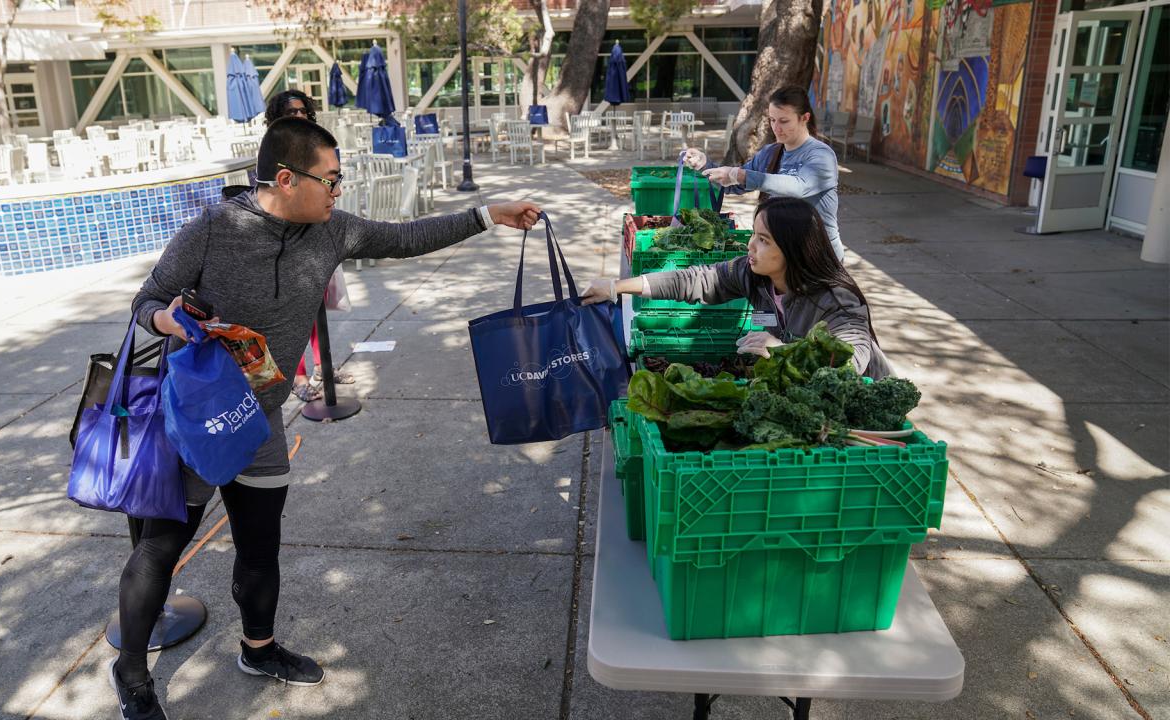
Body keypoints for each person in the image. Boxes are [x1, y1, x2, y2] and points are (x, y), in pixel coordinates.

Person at [114, 117, 541, 720]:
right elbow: (144, 304)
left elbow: (406, 237)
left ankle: (258, 649)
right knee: (162, 548)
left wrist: (487, 214)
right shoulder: (212, 230)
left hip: (259, 422)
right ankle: (131, 672)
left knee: (261, 546)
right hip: (196, 420)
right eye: (331, 180)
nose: (338, 192)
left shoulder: (331, 231)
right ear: (286, 179)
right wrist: (172, 320)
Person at [582, 196, 891, 378]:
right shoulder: (755, 276)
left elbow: (850, 363)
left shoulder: (837, 302)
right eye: (754, 235)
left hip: (866, 410)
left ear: (795, 249)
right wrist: (616, 287)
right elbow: (696, 280)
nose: (750, 246)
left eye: (764, 240)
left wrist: (782, 351)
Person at [683, 85, 846, 260]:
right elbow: (734, 185)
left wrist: (741, 175)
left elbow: (798, 187)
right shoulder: (770, 153)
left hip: (820, 257)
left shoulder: (821, 155)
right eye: (772, 120)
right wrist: (704, 165)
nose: (776, 128)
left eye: (784, 121)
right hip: (784, 253)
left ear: (804, 118)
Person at [262, 89, 351, 401]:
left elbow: (331, 178)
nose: (298, 116)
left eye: (302, 111)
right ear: (277, 116)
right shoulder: (273, 148)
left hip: (317, 230)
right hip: (287, 237)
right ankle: (298, 376)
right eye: (291, 111)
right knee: (297, 312)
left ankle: (324, 367)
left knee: (317, 306)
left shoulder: (316, 144)